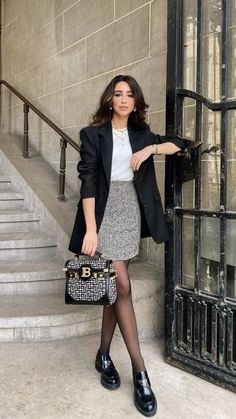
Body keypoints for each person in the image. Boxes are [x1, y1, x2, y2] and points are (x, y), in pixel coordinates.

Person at [69, 75, 190, 417]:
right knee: (122, 284)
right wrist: (91, 230)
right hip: (103, 212)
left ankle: (104, 354)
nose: (123, 99)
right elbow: (88, 183)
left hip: (130, 210)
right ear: (110, 100)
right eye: (118, 94)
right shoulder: (92, 135)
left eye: (130, 94)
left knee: (113, 287)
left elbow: (181, 144)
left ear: (135, 101)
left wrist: (151, 148)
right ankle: (140, 371)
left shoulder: (142, 134)